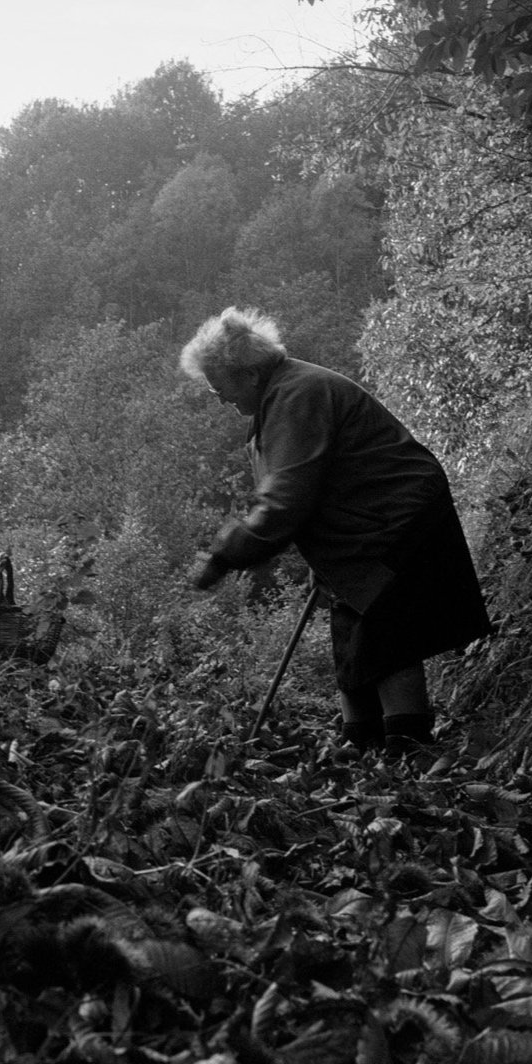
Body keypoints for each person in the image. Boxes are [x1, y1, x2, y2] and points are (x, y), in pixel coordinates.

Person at [180, 306, 491, 754]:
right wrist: (324, 562)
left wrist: (228, 553)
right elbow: (309, 488)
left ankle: (408, 753)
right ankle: (360, 746)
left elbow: (287, 495)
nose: (217, 396)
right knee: (351, 637)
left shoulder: (296, 396)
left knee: (384, 635)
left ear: (249, 374)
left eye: (218, 386)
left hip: (396, 520)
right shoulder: (280, 397)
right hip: (363, 525)